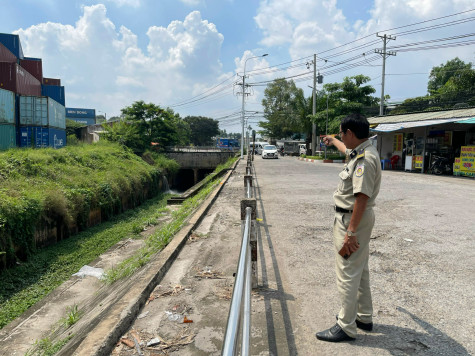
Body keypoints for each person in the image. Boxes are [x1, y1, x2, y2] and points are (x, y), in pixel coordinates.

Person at [316, 113, 382, 342]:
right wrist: (333, 140)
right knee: (359, 269)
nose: (342, 137)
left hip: (351, 220)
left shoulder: (364, 160)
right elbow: (347, 150)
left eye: (342, 133)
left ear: (351, 133)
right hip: (357, 219)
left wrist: (350, 233)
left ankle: (346, 326)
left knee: (347, 272)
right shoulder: (362, 151)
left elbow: (361, 198)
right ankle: (363, 316)